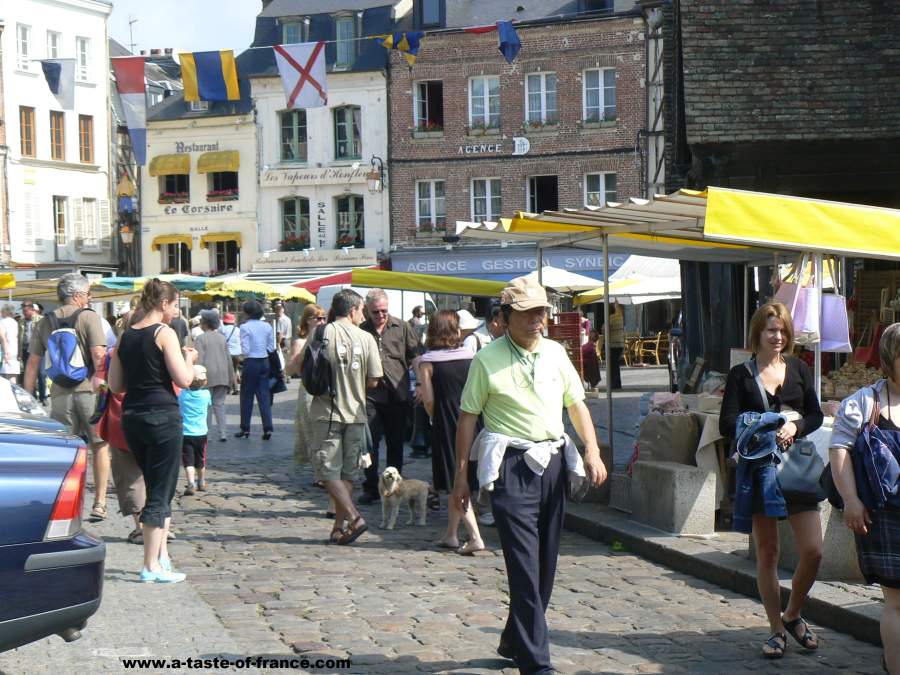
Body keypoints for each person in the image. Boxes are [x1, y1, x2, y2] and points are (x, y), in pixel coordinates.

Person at [454, 275, 607, 674]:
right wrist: (460, 477)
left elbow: (577, 405)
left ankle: (514, 637)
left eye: (541, 310)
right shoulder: (486, 359)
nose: (538, 319)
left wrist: (591, 449)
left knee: (545, 567)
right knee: (523, 565)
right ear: (504, 318)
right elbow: (467, 418)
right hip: (510, 467)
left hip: (552, 465)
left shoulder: (556, 353)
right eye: (527, 313)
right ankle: (537, 664)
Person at [719, 301, 824, 659]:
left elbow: (816, 414)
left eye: (782, 330)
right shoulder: (741, 374)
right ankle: (776, 629)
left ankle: (792, 612)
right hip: (761, 470)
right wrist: (766, 425)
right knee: (768, 553)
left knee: (813, 550)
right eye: (770, 330)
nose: (777, 336)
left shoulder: (798, 368)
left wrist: (795, 425)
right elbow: (726, 424)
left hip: (796, 469)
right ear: (758, 333)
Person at [108, 278, 197, 583]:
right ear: (163, 304)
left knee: (161, 485)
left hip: (132, 416)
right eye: (175, 305)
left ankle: (163, 558)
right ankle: (151, 566)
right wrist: (190, 359)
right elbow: (184, 380)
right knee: (159, 492)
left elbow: (116, 385)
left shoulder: (125, 336)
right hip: (162, 416)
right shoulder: (164, 333)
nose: (176, 311)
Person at [829, 322, 900, 674]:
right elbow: (839, 448)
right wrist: (851, 500)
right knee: (896, 600)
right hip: (885, 515)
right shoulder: (864, 402)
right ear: (889, 360)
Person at [25, 273, 110, 521]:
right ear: (77, 295)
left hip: (59, 393)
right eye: (87, 294)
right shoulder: (88, 317)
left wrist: (28, 399)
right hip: (88, 392)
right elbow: (98, 356)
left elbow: (32, 364)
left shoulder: (44, 322)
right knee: (100, 445)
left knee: (65, 450)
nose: (89, 298)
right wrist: (106, 389)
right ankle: (100, 503)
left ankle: (66, 504)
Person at [309, 289, 382, 545]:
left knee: (327, 470)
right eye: (361, 309)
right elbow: (374, 379)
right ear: (352, 310)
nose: (363, 314)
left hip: (326, 412)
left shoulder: (321, 332)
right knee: (348, 473)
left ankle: (352, 518)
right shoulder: (367, 338)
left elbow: (303, 369)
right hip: (356, 412)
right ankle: (338, 528)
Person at [416, 310, 485, 555]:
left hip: (447, 423)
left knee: (456, 479)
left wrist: (435, 417)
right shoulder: (472, 357)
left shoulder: (428, 361)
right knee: (458, 475)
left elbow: (429, 401)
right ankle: (452, 535)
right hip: (473, 420)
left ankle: (475, 536)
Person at [359, 289, 419, 505]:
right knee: (370, 444)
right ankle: (371, 487)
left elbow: (415, 356)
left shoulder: (402, 327)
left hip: (398, 394)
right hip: (371, 395)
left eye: (384, 311)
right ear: (367, 310)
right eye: (376, 312)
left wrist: (420, 382)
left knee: (395, 444)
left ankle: (394, 487)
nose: (381, 315)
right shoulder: (362, 330)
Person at [95, 307, 147, 545]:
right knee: (155, 474)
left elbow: (102, 384)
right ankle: (161, 524)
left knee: (129, 476)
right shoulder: (156, 347)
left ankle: (140, 527)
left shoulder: (113, 353)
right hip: (154, 416)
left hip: (121, 419)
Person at [287, 303, 326, 465]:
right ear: (308, 320)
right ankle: (318, 471)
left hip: (323, 388)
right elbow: (290, 369)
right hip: (308, 389)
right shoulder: (300, 342)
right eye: (318, 318)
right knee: (311, 429)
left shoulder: (326, 337)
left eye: (324, 318)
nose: (322, 322)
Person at [236, 300, 275, 440]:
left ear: (247, 313)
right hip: (264, 361)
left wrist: (242, 358)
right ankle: (268, 428)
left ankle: (245, 428)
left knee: (247, 396)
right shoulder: (267, 326)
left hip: (251, 361)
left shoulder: (245, 327)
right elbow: (271, 347)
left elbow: (245, 350)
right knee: (264, 395)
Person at [194, 310, 233, 442]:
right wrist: (232, 379)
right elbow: (228, 359)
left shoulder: (200, 339)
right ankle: (223, 433)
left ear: (205, 323)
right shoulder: (222, 338)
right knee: (220, 405)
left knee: (207, 405)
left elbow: (199, 360)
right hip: (222, 375)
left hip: (207, 376)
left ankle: (208, 434)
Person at [179, 364, 212, 495]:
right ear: (204, 381)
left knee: (188, 460)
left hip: (186, 433)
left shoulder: (182, 395)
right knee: (201, 459)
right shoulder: (206, 394)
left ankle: (191, 483)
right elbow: (209, 405)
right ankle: (202, 481)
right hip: (201, 432)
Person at [20, 301, 45, 400]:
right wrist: (19, 353)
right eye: (23, 311)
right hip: (26, 350)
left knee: (41, 374)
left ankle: (43, 397)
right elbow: (20, 339)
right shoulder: (21, 321)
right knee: (29, 374)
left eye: (26, 311)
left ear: (32, 309)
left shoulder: (40, 319)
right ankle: (32, 396)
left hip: (39, 349)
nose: (24, 313)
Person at [219, 312, 241, 394]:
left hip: (227, 353)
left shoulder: (222, 329)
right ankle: (231, 388)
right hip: (237, 353)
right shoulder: (238, 329)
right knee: (234, 370)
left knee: (229, 371)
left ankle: (235, 388)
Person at [0, 303, 21, 381]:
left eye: (2, 311)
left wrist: (5, 352)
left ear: (6, 312)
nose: (0, 313)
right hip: (15, 353)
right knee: (13, 379)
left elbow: (3, 338)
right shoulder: (16, 323)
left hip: (7, 353)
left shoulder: (2, 322)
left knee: (4, 380)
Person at [607, 300, 625, 390]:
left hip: (613, 344)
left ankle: (615, 384)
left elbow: (604, 328)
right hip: (620, 343)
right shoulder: (620, 317)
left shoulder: (610, 318)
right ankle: (617, 383)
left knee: (613, 365)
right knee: (616, 364)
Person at [274, 301, 292, 380]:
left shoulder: (281, 320)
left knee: (282, 358)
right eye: (277, 309)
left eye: (279, 309)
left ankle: (284, 376)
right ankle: (288, 375)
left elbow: (280, 333)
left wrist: (278, 343)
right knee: (287, 358)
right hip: (288, 340)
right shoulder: (288, 319)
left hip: (283, 341)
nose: (277, 311)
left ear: (282, 309)